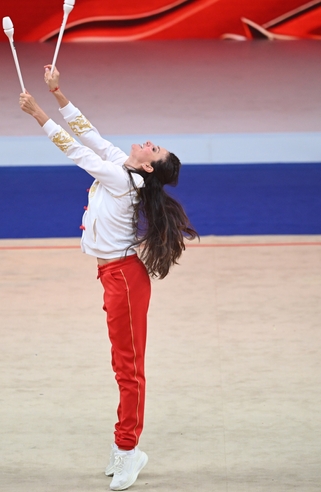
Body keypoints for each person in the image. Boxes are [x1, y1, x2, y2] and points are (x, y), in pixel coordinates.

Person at [19, 66, 198, 491]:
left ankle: (128, 451)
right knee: (123, 367)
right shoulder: (124, 164)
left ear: (149, 168)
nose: (149, 142)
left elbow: (75, 150)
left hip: (124, 280)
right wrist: (58, 93)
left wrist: (37, 113)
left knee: (128, 370)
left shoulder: (121, 178)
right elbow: (89, 133)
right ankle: (126, 447)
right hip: (112, 276)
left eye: (155, 148)